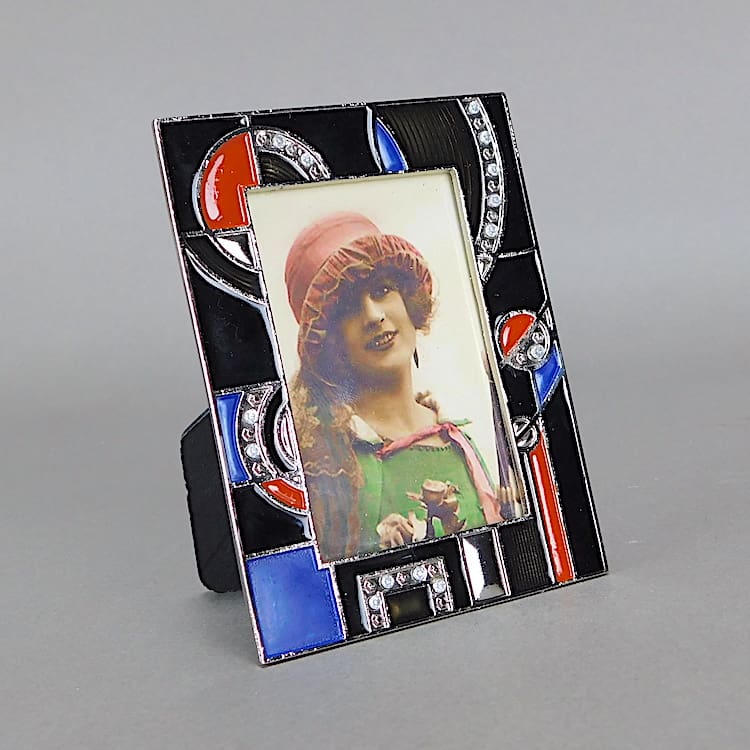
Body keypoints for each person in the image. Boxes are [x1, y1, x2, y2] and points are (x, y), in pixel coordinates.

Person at [284, 212, 519, 561]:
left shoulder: (462, 438)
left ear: (409, 300)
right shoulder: (332, 463)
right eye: (348, 308)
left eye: (382, 290)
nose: (373, 315)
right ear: (330, 340)